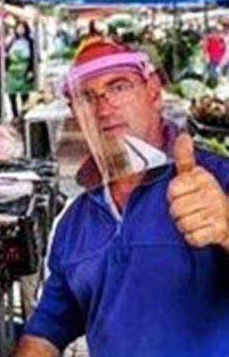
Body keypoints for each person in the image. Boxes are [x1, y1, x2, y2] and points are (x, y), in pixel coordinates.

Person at [13, 40, 229, 357]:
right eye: (87, 97)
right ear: (75, 114)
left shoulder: (214, 182)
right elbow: (49, 326)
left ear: (153, 92)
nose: (103, 108)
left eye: (118, 86)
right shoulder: (74, 223)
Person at [6, 21, 35, 119]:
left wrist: (31, 70)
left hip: (25, 71)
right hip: (12, 72)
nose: (20, 30)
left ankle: (24, 115)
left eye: (22, 28)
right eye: (18, 28)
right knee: (11, 94)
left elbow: (34, 57)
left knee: (24, 94)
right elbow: (7, 54)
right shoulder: (12, 41)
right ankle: (14, 115)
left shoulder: (30, 41)